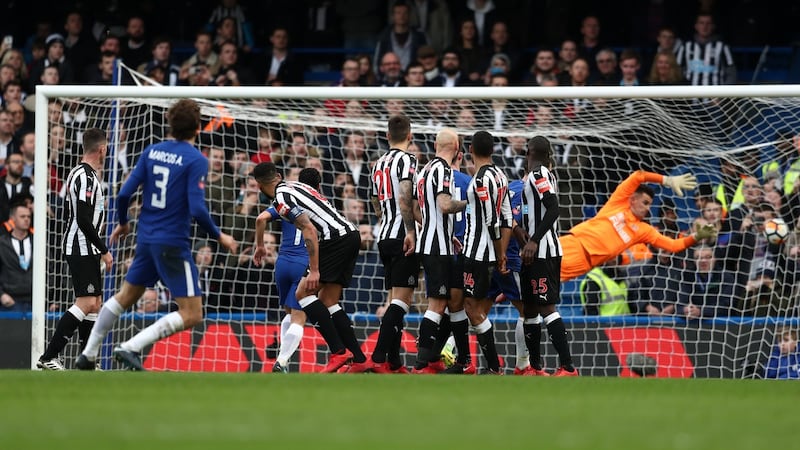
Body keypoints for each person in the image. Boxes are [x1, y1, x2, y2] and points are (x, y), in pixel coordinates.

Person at [75, 99, 238, 371]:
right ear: (198, 128)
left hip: (146, 239)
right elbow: (198, 208)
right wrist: (220, 236)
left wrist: (123, 222)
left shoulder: (152, 151)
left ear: (170, 124)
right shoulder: (196, 159)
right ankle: (131, 347)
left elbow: (124, 194)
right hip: (173, 243)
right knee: (193, 313)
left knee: (125, 297)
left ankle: (88, 355)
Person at [251, 162, 365, 373]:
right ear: (278, 175)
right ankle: (359, 359)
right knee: (329, 301)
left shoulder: (281, 199)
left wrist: (314, 270)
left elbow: (309, 229)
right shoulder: (297, 186)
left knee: (302, 293)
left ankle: (339, 352)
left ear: (259, 186)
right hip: (351, 234)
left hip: (334, 240)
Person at [38, 128, 112, 370]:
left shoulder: (81, 174)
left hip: (86, 247)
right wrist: (104, 249)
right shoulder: (85, 177)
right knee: (86, 302)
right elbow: (82, 218)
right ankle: (48, 356)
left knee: (95, 303)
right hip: (82, 246)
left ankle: (86, 362)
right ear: (102, 149)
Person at [560, 170, 717, 281]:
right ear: (633, 199)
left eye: (650, 204)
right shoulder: (618, 203)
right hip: (572, 244)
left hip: (583, 263)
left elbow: (674, 245)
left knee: (545, 292)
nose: (648, 208)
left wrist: (697, 236)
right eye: (645, 203)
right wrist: (667, 180)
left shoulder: (643, 230)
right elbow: (638, 176)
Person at [517, 136, 577, 376]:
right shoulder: (539, 175)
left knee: (546, 308)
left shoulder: (539, 174)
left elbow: (553, 208)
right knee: (530, 310)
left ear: (529, 152)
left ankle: (568, 367)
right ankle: (535, 367)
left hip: (543, 252)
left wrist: (533, 240)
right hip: (532, 253)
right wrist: (523, 232)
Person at [253, 167, 321, 373]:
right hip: (303, 263)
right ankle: (281, 361)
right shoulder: (319, 204)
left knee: (290, 314)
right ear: (318, 187)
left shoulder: (285, 200)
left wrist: (260, 246)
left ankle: (283, 362)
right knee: (299, 318)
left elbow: (260, 219)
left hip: (282, 263)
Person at [368, 114, 419, 374]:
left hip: (384, 234)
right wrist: (410, 230)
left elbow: (374, 200)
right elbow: (406, 198)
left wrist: (384, 218)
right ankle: (378, 358)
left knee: (394, 298)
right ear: (410, 136)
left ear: (388, 136)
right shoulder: (409, 160)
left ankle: (394, 361)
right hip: (403, 236)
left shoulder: (377, 164)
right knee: (401, 301)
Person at [412, 128, 466, 373]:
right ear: (456, 148)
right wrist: (471, 201)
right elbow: (445, 205)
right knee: (436, 305)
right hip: (437, 247)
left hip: (432, 242)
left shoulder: (424, 171)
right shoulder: (444, 170)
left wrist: (445, 231)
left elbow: (416, 209)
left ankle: (429, 360)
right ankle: (421, 363)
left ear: (435, 145)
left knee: (441, 303)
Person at [461, 130, 511, 374]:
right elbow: (508, 217)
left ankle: (493, 366)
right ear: (492, 150)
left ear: (470, 149)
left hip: (476, 253)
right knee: (472, 306)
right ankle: (476, 362)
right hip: (487, 253)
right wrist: (501, 253)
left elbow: (492, 220)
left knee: (471, 308)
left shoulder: (480, 180)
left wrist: (501, 254)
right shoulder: (501, 175)